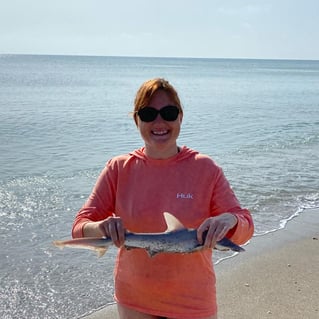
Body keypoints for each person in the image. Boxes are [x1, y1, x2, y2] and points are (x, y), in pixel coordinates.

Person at [72, 78, 254, 319]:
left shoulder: (205, 169)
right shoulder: (118, 169)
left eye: (168, 112)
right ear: (136, 120)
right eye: (148, 113)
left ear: (180, 117)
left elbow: (245, 226)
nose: (159, 122)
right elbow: (79, 228)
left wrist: (230, 220)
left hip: (193, 302)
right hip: (134, 300)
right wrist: (100, 227)